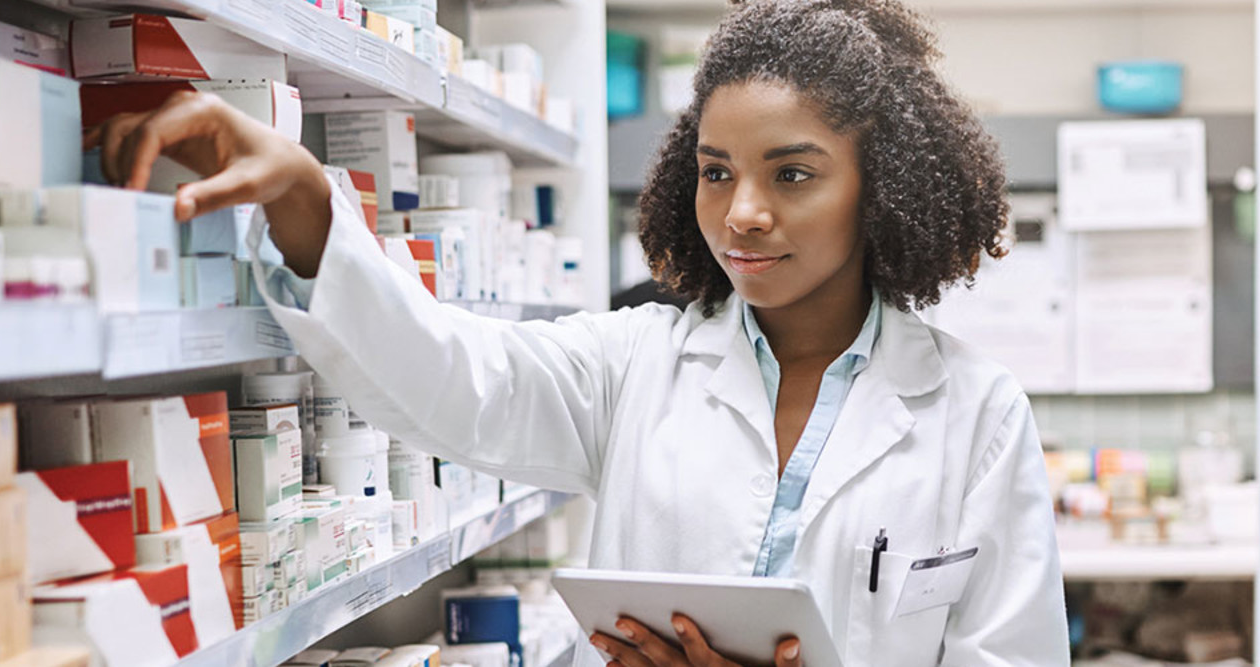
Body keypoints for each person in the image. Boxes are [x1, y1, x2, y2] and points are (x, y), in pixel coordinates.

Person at [88, 0, 1067, 663]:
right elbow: (451, 379)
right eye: (718, 170)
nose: (743, 212)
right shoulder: (636, 363)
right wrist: (308, 197)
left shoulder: (974, 415)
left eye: (794, 173)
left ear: (882, 187)